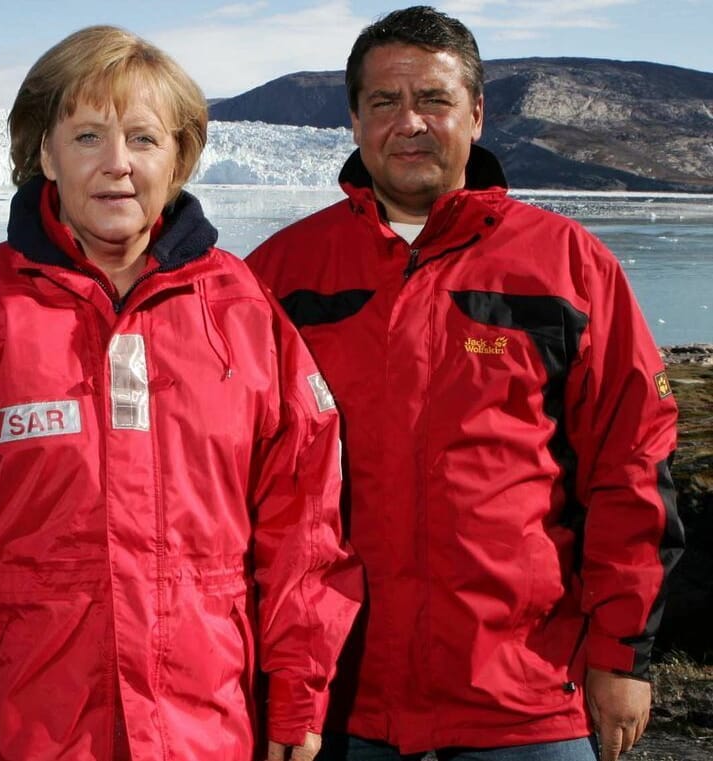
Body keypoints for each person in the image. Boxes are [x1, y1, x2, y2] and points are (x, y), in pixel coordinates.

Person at [0, 24, 363, 761]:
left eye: (143, 139)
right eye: (87, 136)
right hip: (20, 730)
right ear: (45, 152)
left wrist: (296, 701)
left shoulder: (239, 311)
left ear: (178, 158)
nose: (117, 165)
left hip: (202, 730)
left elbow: (302, 524)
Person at [246, 6, 684, 761]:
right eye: (384, 102)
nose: (408, 122)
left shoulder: (567, 266)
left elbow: (631, 468)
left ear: (475, 115)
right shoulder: (281, 274)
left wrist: (620, 654)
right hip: (341, 703)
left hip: (523, 702)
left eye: (433, 100)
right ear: (353, 118)